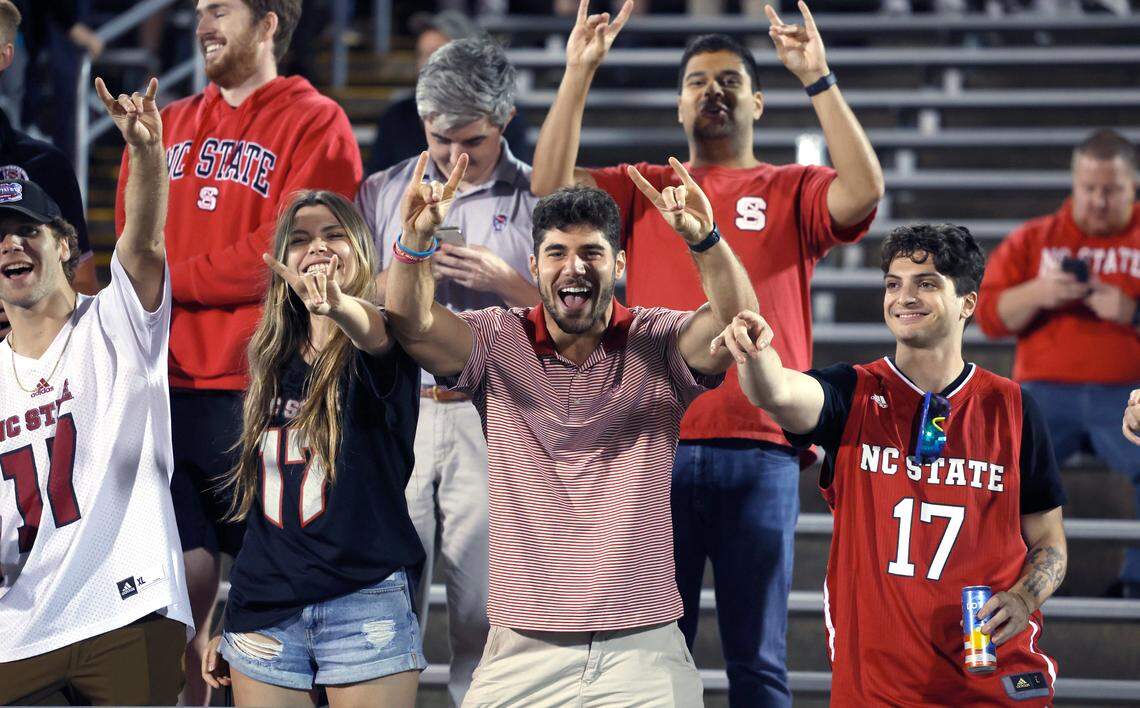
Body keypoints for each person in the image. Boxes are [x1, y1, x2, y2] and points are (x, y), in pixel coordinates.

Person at [530, 2, 884, 703]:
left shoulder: (790, 187)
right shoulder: (644, 188)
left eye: (728, 79)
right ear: (679, 104)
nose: (711, 90)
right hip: (652, 443)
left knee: (759, 663)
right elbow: (547, 188)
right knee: (656, 658)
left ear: (757, 99)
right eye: (696, 80)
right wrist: (578, 73)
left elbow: (865, 190)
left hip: (760, 447)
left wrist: (818, 78)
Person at [386, 149, 757, 705]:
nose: (574, 267)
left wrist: (706, 239)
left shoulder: (657, 340)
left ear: (620, 264)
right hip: (520, 651)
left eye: (592, 253)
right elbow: (410, 324)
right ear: (533, 268)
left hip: (644, 649)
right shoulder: (494, 336)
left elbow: (737, 322)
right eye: (556, 252)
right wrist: (415, 243)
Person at [113, 1, 362, 702]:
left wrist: (170, 280)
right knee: (178, 590)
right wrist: (153, 271)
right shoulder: (174, 122)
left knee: (272, 605)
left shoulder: (317, 122)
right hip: (162, 389)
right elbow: (131, 241)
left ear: (269, 22)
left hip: (262, 386)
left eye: (220, 8)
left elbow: (297, 255)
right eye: (197, 10)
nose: (202, 22)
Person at [718, 223, 1068, 705]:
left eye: (926, 283)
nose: (905, 296)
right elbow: (778, 391)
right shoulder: (851, 391)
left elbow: (1049, 542)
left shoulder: (1014, 408)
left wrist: (1025, 598)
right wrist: (755, 356)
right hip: (881, 688)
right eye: (893, 284)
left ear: (967, 303)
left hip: (992, 675)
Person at [356, 36, 539, 705]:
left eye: (473, 143)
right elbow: (350, 300)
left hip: (493, 412)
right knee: (383, 601)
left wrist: (511, 284)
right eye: (440, 139)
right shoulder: (382, 189)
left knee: (484, 610)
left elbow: (585, 322)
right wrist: (410, 255)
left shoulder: (538, 193)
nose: (455, 158)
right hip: (398, 406)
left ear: (506, 120)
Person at [0, 77, 193, 704]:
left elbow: (144, 241)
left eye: (28, 229)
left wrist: (145, 151)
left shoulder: (116, 320)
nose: (11, 243)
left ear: (64, 243)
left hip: (126, 613)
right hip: (19, 628)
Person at [198, 190, 425, 707]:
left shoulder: (383, 342)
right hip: (265, 609)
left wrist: (339, 305)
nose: (317, 248)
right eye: (300, 240)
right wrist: (231, 617)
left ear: (361, 251)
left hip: (363, 598)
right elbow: (264, 508)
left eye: (333, 235)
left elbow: (375, 335)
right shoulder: (269, 358)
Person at [976, 128, 1140, 598]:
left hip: (1127, 393)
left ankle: (1135, 581)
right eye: (1089, 188)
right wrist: (1039, 293)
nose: (1098, 201)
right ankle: (1000, 576)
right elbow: (987, 316)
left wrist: (1133, 312)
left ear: (1132, 187)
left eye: (1111, 190)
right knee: (995, 463)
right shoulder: (1036, 239)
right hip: (1043, 392)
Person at [0, 0, 96, 339]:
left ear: (5, 56)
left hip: (30, 374)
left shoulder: (46, 166)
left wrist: (29, 303)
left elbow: (83, 285)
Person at [364, 11, 531, 175]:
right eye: (422, 54)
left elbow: (516, 183)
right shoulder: (396, 116)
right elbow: (378, 185)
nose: (426, 65)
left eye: (438, 54)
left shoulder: (503, 114)